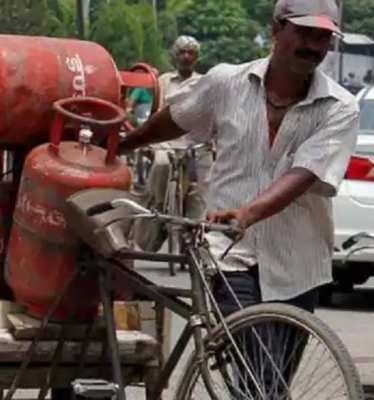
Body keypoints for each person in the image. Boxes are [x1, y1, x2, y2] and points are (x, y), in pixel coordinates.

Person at [120, 0, 359, 392]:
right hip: (230, 257)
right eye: (305, 33)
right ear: (277, 28)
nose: (314, 46)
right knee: (256, 371)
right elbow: (178, 117)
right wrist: (123, 145)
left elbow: (307, 172)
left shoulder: (340, 107)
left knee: (272, 381)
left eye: (323, 38)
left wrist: (250, 212)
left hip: (297, 264)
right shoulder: (226, 83)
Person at [132, 35, 207, 253]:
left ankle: (194, 238)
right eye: (182, 52)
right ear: (175, 55)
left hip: (194, 145)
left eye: (190, 52)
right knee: (162, 166)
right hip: (164, 143)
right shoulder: (164, 82)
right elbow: (154, 114)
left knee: (198, 190)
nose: (186, 56)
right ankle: (158, 208)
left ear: (196, 57)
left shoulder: (204, 83)